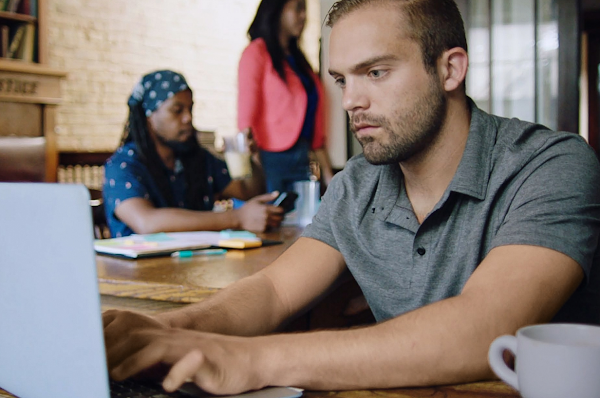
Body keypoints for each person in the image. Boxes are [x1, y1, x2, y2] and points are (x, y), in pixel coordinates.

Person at [103, 0, 600, 395]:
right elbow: (274, 291)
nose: (351, 102)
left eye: (376, 73)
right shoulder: (357, 185)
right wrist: (166, 328)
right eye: (341, 79)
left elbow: (489, 325)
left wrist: (249, 360)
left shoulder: (551, 165)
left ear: (450, 70)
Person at [103, 70, 284, 237]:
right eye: (177, 110)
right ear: (148, 116)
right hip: (136, 271)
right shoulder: (122, 165)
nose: (188, 118)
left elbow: (248, 192)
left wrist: (251, 159)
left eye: (190, 109)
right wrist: (237, 218)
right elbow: (147, 222)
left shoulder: (197, 158)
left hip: (195, 266)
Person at [238, 0, 335, 193]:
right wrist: (256, 168)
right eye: (298, 8)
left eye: (304, 10)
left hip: (303, 156)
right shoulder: (257, 52)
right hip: (269, 159)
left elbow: (316, 128)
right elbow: (246, 119)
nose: (303, 16)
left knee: (305, 220)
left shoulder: (299, 62)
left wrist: (328, 173)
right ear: (277, 9)